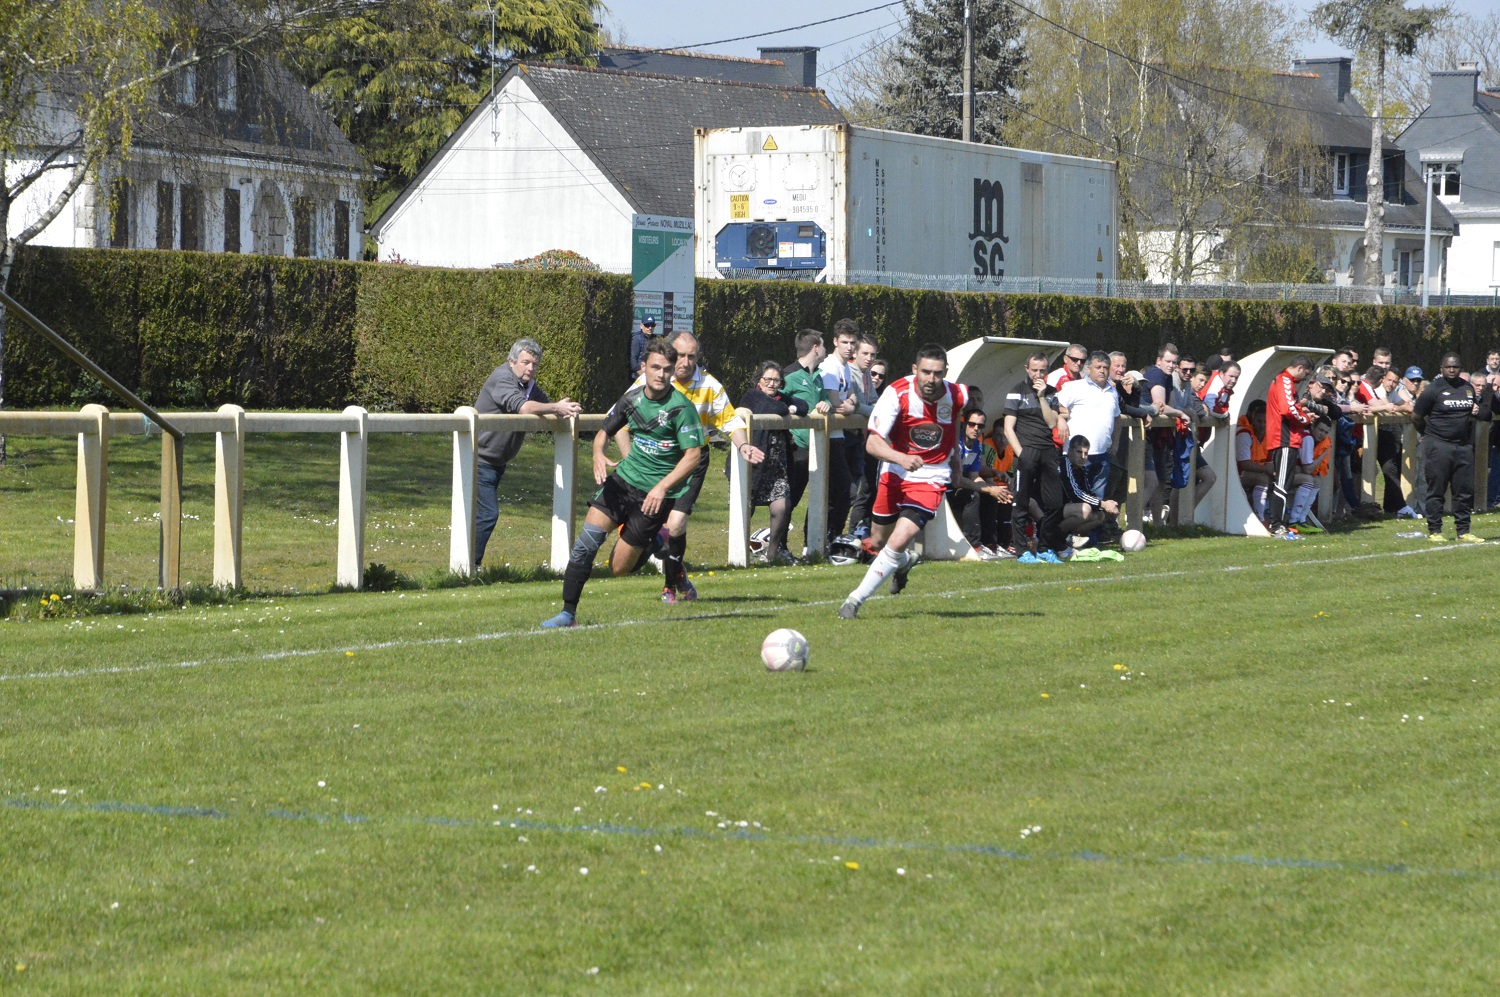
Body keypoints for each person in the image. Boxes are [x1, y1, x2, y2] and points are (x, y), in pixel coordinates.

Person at [541, 340, 704, 628]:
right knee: (585, 544)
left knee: (618, 569)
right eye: (655, 367)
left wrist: (662, 488)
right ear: (644, 367)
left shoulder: (682, 408)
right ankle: (567, 614)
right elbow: (605, 431)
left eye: (667, 370)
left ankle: (654, 541)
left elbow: (693, 456)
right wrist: (597, 453)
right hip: (623, 483)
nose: (661, 374)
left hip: (654, 497)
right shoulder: (631, 399)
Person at [837, 344, 995, 619]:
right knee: (879, 540)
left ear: (945, 372)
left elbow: (957, 420)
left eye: (938, 373)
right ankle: (904, 561)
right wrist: (901, 458)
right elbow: (873, 444)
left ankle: (853, 601)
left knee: (900, 538)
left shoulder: (957, 394)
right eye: (925, 372)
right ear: (914, 369)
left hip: (932, 476)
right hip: (895, 470)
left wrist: (955, 461)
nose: (931, 379)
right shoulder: (896, 393)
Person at [650, 331, 764, 602]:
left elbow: (730, 421)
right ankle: (679, 573)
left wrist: (743, 446)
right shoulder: (652, 378)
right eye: (680, 355)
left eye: (692, 356)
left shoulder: (710, 385)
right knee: (653, 527)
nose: (686, 362)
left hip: (693, 460)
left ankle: (669, 586)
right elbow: (621, 413)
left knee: (675, 524)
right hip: (656, 459)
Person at [473, 337, 582, 568]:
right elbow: (523, 407)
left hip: (496, 462)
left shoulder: (528, 385)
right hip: (478, 459)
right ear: (511, 361)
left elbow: (544, 405)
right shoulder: (502, 378)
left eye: (535, 364)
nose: (530, 368)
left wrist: (564, 409)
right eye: (525, 362)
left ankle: (468, 566)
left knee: (480, 515)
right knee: (487, 515)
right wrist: (556, 407)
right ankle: (469, 567)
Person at [1412, 352, 1493, 543]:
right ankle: (1435, 530)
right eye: (1448, 367)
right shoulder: (1433, 389)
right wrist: (1428, 435)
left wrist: (1477, 411)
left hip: (1463, 447)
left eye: (1455, 367)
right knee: (1436, 490)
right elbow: (1416, 416)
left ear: (1460, 368)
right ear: (1441, 368)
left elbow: (1484, 414)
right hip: (1439, 445)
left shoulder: (1467, 388)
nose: (1451, 370)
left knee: (1464, 491)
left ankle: (1463, 531)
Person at [739, 361, 806, 564]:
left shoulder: (781, 397)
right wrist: (788, 408)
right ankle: (739, 554)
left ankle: (772, 554)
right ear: (759, 380)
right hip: (753, 462)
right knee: (747, 507)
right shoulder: (752, 395)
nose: (771, 384)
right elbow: (771, 407)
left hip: (778, 465)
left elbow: (804, 406)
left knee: (782, 506)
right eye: (767, 379)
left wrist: (791, 407)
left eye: (776, 380)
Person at [1004, 353, 1067, 563]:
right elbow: (1008, 428)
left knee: (1055, 503)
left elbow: (1052, 423)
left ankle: (1044, 548)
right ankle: (1022, 551)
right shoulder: (1016, 391)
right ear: (1027, 369)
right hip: (1026, 451)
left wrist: (1041, 397)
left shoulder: (1051, 392)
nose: (1038, 374)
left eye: (1042, 370)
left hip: (1048, 451)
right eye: (1034, 370)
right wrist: (1021, 454)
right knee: (1021, 503)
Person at [1055, 351, 1121, 535]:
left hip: (1102, 455)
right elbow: (1053, 404)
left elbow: (1117, 418)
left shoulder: (1112, 391)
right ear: (1088, 368)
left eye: (1105, 367)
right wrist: (1060, 419)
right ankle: (1064, 537)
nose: (1102, 371)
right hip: (1077, 456)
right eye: (1098, 367)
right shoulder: (1075, 387)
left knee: (1097, 504)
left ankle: (1090, 539)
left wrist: (1115, 442)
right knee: (1077, 501)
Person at [782, 329, 834, 538]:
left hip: (814, 446)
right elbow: (776, 399)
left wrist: (826, 404)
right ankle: (777, 544)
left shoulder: (818, 377)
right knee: (787, 499)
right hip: (795, 447)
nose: (826, 350)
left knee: (803, 497)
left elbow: (825, 399)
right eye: (824, 345)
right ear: (816, 348)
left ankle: (809, 543)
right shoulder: (790, 375)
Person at [948, 406, 1012, 559]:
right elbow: (958, 480)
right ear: (964, 424)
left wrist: (994, 487)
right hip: (946, 491)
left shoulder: (976, 445)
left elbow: (974, 475)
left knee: (997, 493)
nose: (976, 428)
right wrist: (988, 489)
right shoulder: (956, 444)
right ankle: (973, 545)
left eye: (980, 426)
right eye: (972, 424)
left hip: (961, 485)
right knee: (973, 495)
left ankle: (991, 544)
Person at [819, 319, 862, 540]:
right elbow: (837, 403)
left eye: (852, 342)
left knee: (840, 492)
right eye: (845, 342)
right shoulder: (830, 366)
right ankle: (822, 538)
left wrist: (851, 404)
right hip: (827, 436)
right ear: (835, 341)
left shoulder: (845, 366)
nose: (849, 347)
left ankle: (829, 538)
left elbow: (852, 397)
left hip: (839, 435)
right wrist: (850, 404)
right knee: (840, 491)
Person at [1264, 355, 1315, 539]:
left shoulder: (1285, 381)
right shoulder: (1285, 381)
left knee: (1284, 482)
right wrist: (1305, 419)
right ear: (1300, 368)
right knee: (1282, 483)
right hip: (1284, 439)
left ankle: (1278, 523)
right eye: (1306, 373)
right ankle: (1277, 525)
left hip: (1286, 439)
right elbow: (1287, 409)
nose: (1305, 377)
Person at [847, 333, 882, 539]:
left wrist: (868, 409)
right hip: (846, 438)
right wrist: (871, 410)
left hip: (861, 439)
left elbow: (874, 404)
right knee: (847, 492)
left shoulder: (866, 374)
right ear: (855, 353)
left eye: (873, 355)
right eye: (865, 353)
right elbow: (858, 407)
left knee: (865, 489)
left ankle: (856, 533)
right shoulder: (848, 372)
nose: (869, 358)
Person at [1059, 434, 1120, 540]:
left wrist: (1104, 506)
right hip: (1051, 510)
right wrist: (1103, 504)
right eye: (1079, 452)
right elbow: (1075, 494)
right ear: (1069, 451)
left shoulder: (1081, 469)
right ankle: (1054, 536)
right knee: (1085, 509)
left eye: (1086, 453)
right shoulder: (1064, 463)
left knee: (1099, 516)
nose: (1083, 457)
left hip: (1067, 509)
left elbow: (1087, 493)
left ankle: (1069, 538)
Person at [1236, 399, 1272, 521]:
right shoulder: (1245, 434)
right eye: (1259, 421)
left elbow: (1270, 463)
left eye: (1265, 422)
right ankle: (1260, 519)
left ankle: (1288, 518)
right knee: (1263, 479)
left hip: (1257, 471)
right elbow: (1244, 464)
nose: (1262, 425)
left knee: (1279, 480)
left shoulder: (1269, 437)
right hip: (1238, 473)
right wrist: (1266, 470)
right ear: (1253, 420)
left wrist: (1272, 472)